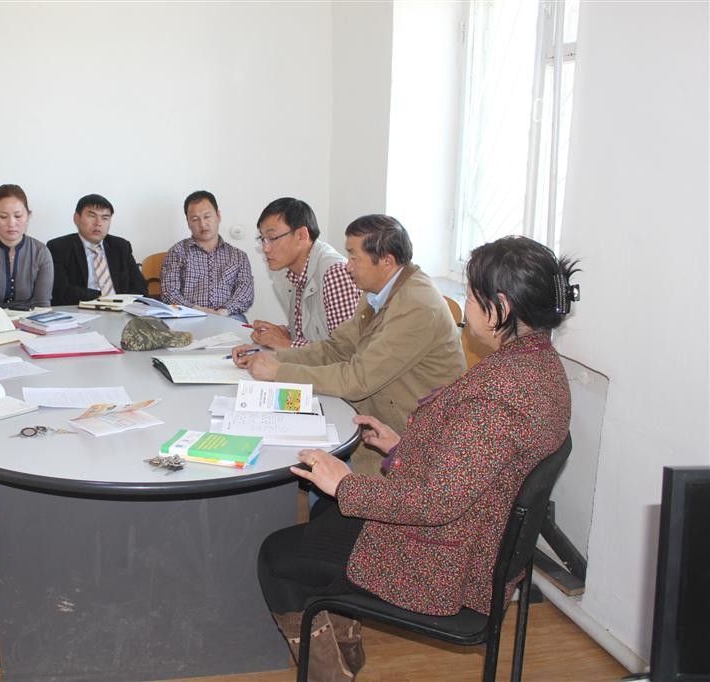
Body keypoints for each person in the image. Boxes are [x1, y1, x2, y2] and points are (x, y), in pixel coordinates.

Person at [257, 236, 580, 682]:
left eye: (472, 296)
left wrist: (344, 483)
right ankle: (345, 649)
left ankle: (331, 671)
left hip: (445, 565)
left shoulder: (501, 393)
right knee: (324, 522)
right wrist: (402, 447)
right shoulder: (539, 365)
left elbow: (436, 502)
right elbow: (478, 462)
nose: (467, 307)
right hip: (470, 536)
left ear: (501, 308)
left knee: (277, 556)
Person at [232, 214, 465, 475]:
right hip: (375, 418)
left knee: (306, 462)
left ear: (386, 260)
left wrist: (279, 372)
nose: (347, 267)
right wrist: (276, 358)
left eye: (354, 257)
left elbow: (357, 380)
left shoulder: (416, 306)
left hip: (410, 444)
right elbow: (337, 347)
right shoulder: (378, 290)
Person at [248, 198, 361, 349]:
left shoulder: (335, 273)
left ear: (302, 235)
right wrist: (282, 333)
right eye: (262, 239)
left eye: (272, 238)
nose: (265, 248)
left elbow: (346, 350)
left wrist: (286, 344)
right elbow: (312, 333)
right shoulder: (289, 274)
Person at [160, 190, 254, 320]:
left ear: (218, 216)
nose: (202, 224)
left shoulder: (239, 256)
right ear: (188, 222)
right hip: (188, 315)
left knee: (241, 329)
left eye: (207, 216)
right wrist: (196, 309)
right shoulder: (177, 252)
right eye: (195, 219)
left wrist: (224, 312)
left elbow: (245, 292)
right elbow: (169, 293)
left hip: (229, 316)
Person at [47, 194, 147, 305]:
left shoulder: (121, 246)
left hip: (121, 309)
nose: (98, 223)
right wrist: (102, 299)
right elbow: (61, 291)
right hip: (82, 309)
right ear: (76, 218)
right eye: (92, 216)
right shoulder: (59, 247)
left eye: (105, 218)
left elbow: (140, 288)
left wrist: (123, 302)